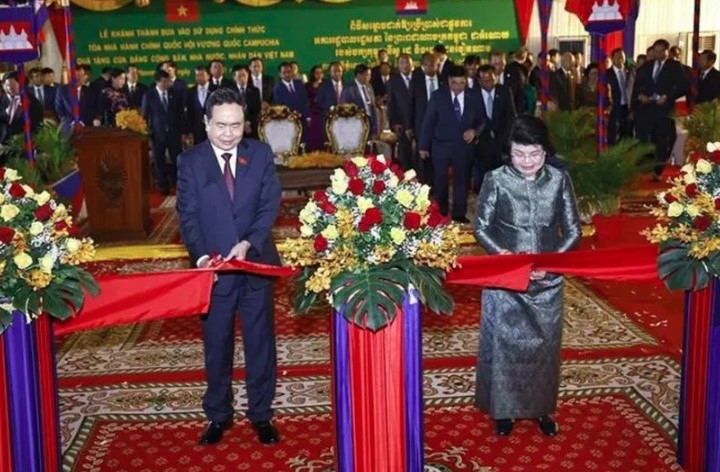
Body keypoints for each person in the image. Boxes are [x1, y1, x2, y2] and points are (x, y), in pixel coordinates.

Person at [176, 87, 282, 447]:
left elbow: (269, 206)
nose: (228, 133)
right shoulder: (190, 162)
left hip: (254, 266)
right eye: (220, 125)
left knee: (260, 343)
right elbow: (188, 217)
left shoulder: (262, 154)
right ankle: (218, 415)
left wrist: (248, 243)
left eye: (236, 125)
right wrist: (203, 257)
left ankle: (261, 415)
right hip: (215, 271)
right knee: (216, 344)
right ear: (206, 124)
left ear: (245, 124)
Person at [473, 115, 582, 437]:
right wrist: (502, 256)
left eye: (534, 153)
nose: (527, 161)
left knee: (543, 350)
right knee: (505, 348)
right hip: (507, 281)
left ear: (545, 151)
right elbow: (480, 227)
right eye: (520, 154)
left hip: (548, 282)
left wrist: (553, 261)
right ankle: (503, 411)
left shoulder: (559, 181)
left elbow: (574, 229)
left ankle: (541, 410)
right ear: (510, 151)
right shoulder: (496, 179)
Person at [419, 65, 486, 223]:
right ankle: (441, 212)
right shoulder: (438, 96)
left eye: (462, 83)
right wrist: (423, 145)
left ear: (466, 82)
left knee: (462, 181)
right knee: (440, 180)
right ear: (448, 81)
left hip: (463, 147)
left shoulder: (474, 96)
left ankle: (458, 213)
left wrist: (475, 131)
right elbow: (429, 121)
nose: (458, 87)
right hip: (441, 146)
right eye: (454, 83)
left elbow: (483, 119)